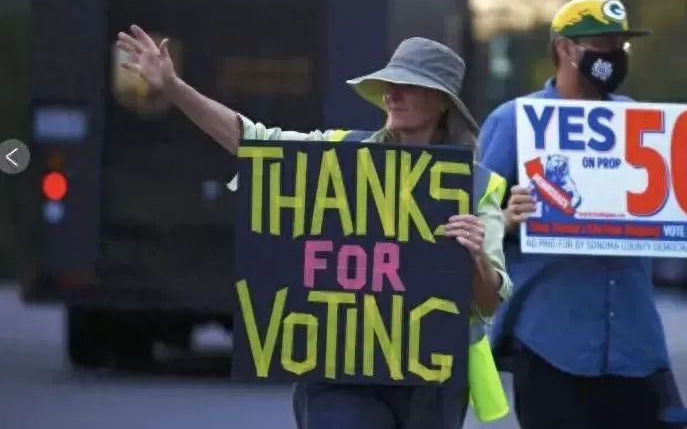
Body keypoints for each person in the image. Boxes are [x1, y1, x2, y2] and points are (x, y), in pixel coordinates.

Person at [115, 27, 512, 429]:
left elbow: (488, 302)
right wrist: (172, 85)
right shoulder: (337, 157)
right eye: (388, 85)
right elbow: (251, 141)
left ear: (442, 102)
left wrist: (474, 256)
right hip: (340, 372)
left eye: (408, 86)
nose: (392, 94)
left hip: (430, 380)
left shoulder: (477, 186)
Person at [479, 0, 687, 429]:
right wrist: (505, 219)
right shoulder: (516, 121)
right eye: (602, 44)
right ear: (565, 49)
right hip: (552, 343)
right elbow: (468, 221)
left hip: (634, 343)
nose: (615, 57)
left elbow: (670, 209)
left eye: (622, 46)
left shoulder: (640, 122)